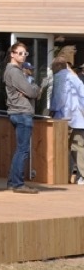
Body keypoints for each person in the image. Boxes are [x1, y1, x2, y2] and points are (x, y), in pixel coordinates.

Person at [4, 42, 40, 194]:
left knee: (20, 149)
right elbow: (33, 92)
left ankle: (13, 182)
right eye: (19, 53)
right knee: (23, 150)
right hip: (22, 113)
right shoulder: (15, 72)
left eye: (25, 53)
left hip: (17, 112)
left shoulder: (14, 71)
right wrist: (36, 88)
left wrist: (30, 90)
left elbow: (28, 92)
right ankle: (18, 184)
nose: (23, 56)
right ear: (12, 54)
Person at [48, 51, 84, 185]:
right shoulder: (74, 77)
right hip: (79, 118)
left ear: (56, 67)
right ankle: (81, 176)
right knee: (79, 147)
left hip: (65, 118)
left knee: (63, 148)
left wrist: (53, 110)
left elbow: (59, 98)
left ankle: (64, 176)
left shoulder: (59, 77)